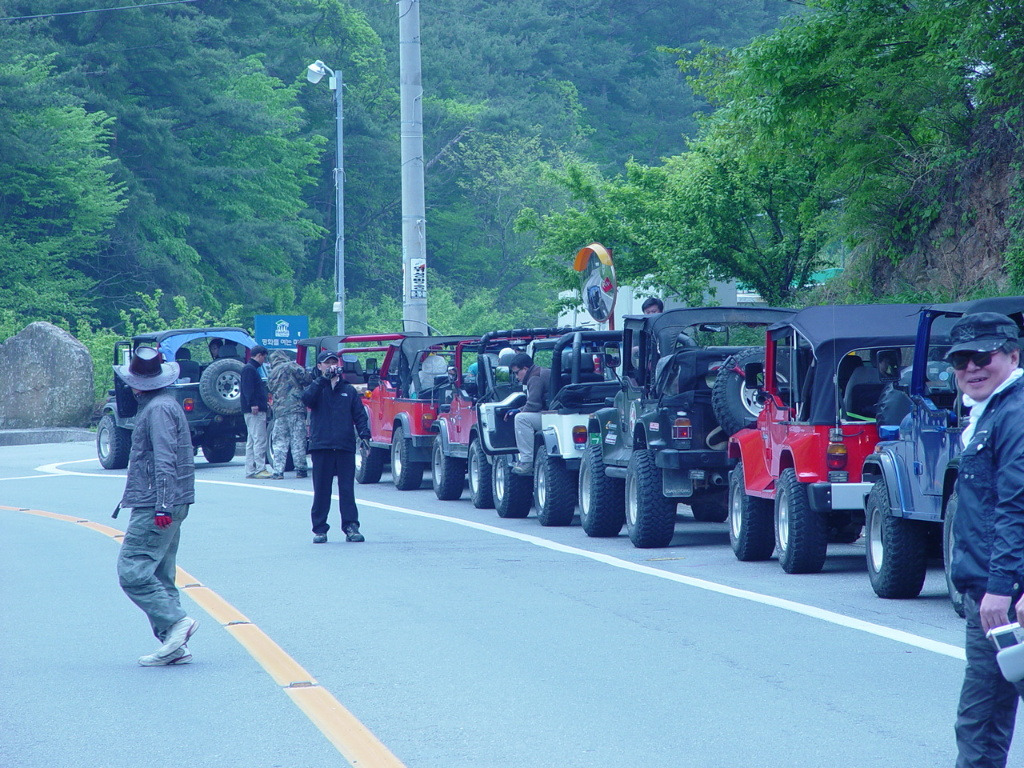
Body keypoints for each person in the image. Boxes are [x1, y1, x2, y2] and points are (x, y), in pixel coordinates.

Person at [947, 312, 1024, 767]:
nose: (972, 368)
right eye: (961, 360)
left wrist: (1002, 585)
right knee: (981, 725)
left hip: (1005, 597)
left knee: (980, 727)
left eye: (983, 356)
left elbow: (1017, 505)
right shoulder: (991, 411)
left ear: (1013, 355)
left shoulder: (1015, 414)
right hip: (992, 595)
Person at [112, 346, 198, 667]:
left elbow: (165, 459)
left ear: (137, 385)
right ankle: (174, 644)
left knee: (132, 570)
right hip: (169, 500)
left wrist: (162, 504)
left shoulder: (158, 410)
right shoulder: (164, 405)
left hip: (157, 503)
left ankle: (177, 623)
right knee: (161, 573)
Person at [301, 351, 371, 543]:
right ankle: (320, 529)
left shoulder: (348, 390)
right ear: (319, 366)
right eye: (327, 363)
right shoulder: (317, 387)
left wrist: (365, 436)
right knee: (321, 489)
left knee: (347, 489)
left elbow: (359, 414)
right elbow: (306, 400)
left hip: (344, 446)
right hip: (321, 445)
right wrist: (323, 380)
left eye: (334, 362)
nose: (331, 366)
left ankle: (351, 526)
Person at [267, 350, 311, 479]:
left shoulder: (272, 373)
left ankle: (278, 471)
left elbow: (270, 389)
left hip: (279, 411)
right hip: (295, 408)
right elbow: (307, 379)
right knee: (297, 438)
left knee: (279, 441)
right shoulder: (291, 366)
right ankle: (301, 469)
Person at [505, 352, 549, 475]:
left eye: (516, 372)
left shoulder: (534, 377)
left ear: (525, 368)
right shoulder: (541, 371)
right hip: (553, 414)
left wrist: (519, 411)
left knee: (521, 419)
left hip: (550, 417)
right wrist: (520, 408)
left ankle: (527, 462)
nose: (516, 377)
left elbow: (534, 405)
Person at [240, 345, 272, 479]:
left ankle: (250, 469)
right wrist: (253, 404)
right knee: (259, 438)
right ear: (259, 355)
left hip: (251, 410)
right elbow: (249, 389)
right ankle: (260, 468)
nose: (264, 360)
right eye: (264, 357)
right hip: (255, 410)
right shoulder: (250, 369)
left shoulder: (250, 369)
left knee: (252, 440)